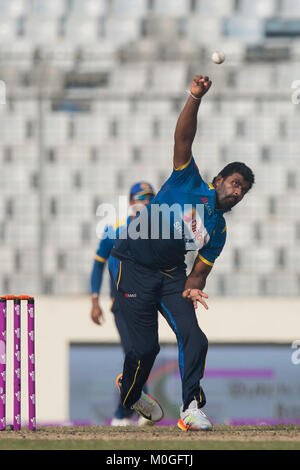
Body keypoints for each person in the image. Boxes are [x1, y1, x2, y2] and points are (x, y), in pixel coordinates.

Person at [109, 75, 255, 431]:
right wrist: (194, 97)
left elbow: (199, 272)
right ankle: (130, 393)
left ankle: (190, 407)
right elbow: (183, 138)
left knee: (194, 337)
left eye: (243, 192)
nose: (237, 193)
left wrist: (191, 286)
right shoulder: (187, 179)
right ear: (218, 179)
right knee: (145, 352)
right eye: (235, 184)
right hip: (134, 264)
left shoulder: (219, 231)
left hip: (172, 275)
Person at [90, 181, 156, 426]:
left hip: (147, 303)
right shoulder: (114, 230)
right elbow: (98, 264)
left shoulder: (158, 232)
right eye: (142, 198)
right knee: (135, 352)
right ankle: (128, 411)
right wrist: (95, 299)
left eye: (151, 198)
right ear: (130, 202)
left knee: (144, 352)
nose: (147, 202)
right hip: (122, 302)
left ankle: (130, 411)